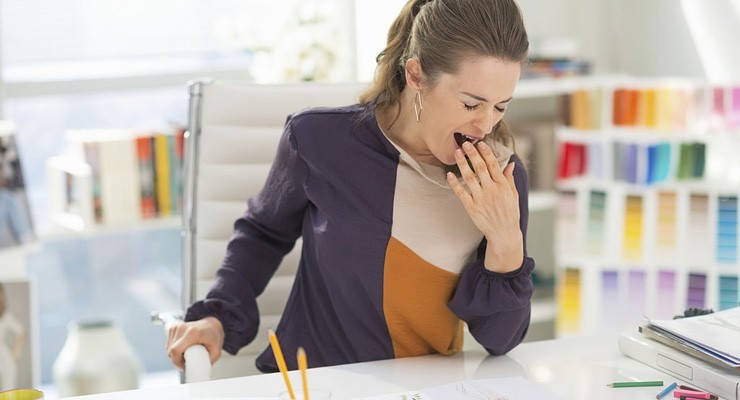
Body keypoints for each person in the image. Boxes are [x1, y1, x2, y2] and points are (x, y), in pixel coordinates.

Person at [168, 0, 534, 373]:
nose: (486, 125)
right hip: (315, 385)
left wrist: (506, 242)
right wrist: (217, 316)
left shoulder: (500, 179)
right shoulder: (318, 140)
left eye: (501, 107)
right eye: (472, 104)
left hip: (423, 391)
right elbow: (263, 233)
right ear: (416, 75)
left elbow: (500, 340)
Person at [0, 283, 27, 391]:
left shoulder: (5, 316)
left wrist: (15, 355)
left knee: (8, 390)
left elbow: (21, 332)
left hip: (4, 358)